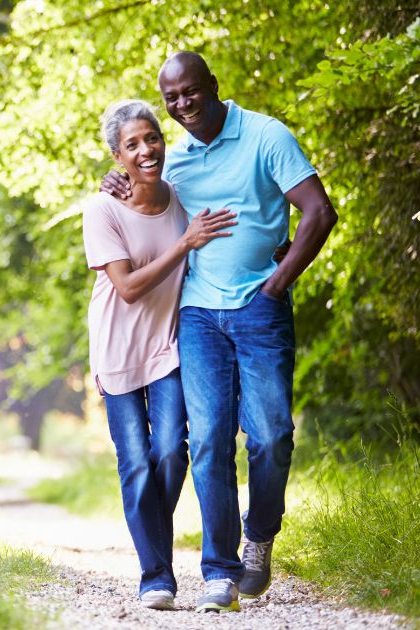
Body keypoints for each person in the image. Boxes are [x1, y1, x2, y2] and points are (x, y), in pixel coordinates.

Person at [102, 52, 338, 613]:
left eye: (191, 92)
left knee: (272, 435)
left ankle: (260, 536)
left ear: (212, 85)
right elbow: (141, 199)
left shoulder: (265, 135)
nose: (183, 105)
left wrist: (277, 283)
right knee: (208, 442)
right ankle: (220, 571)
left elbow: (319, 212)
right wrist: (116, 176)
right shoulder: (175, 160)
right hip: (199, 316)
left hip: (260, 310)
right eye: (172, 99)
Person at [83, 99, 236, 610]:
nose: (146, 150)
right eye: (132, 145)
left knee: (170, 450)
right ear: (116, 156)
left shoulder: (181, 196)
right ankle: (156, 576)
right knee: (136, 465)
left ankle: (150, 537)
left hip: (168, 346)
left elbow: (228, 218)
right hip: (117, 348)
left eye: (152, 138)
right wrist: (184, 245)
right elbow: (126, 287)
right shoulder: (102, 208)